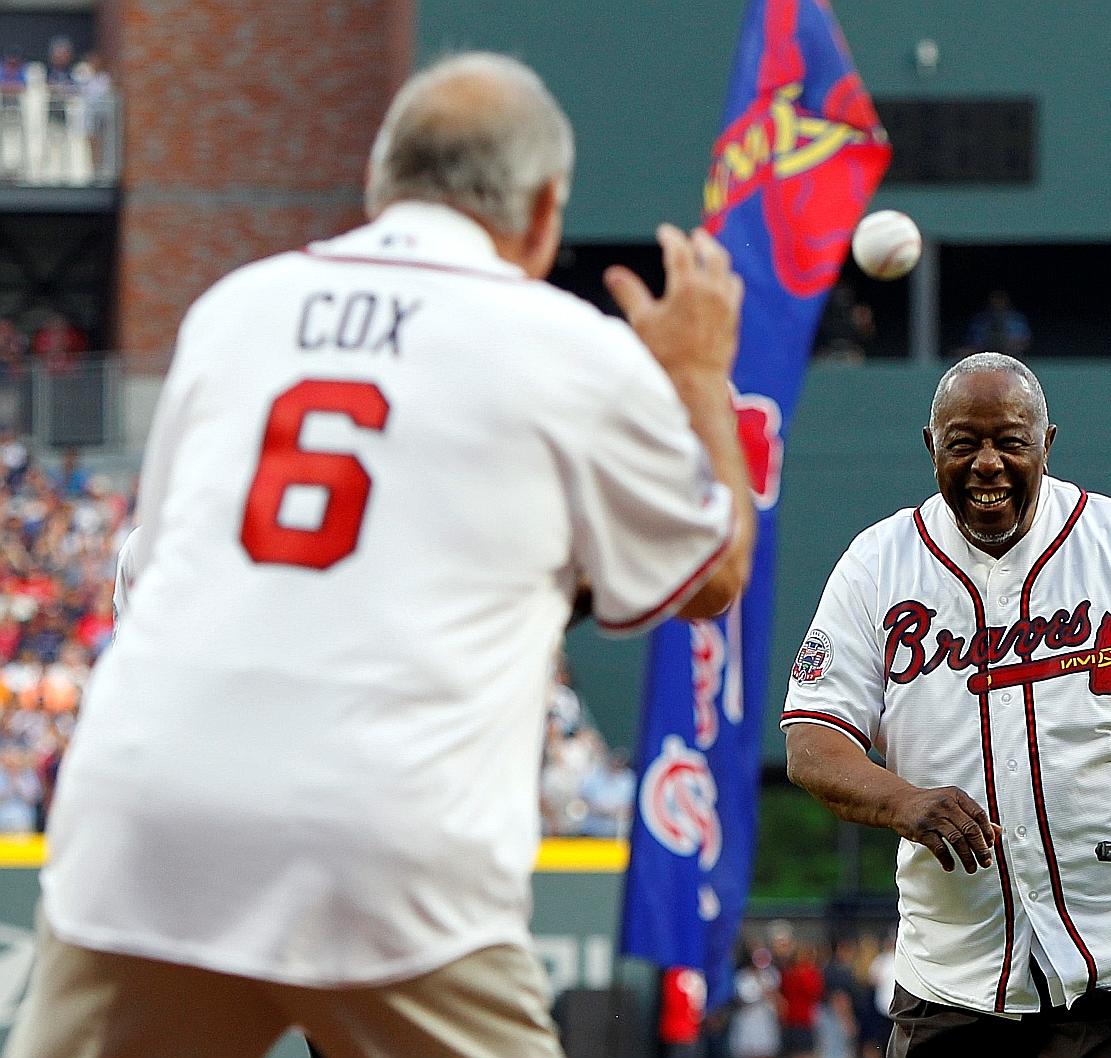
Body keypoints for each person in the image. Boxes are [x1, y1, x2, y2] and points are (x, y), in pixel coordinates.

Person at [9, 51, 756, 1058]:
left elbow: (153, 576)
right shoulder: (566, 343)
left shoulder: (237, 309)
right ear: (543, 212)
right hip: (390, 842)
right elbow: (712, 572)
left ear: (380, 182)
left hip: (150, 823)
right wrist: (703, 375)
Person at [781, 352, 1111, 1056]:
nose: (987, 463)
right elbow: (812, 741)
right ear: (931, 447)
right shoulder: (878, 563)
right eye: (964, 443)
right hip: (958, 952)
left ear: (1046, 444)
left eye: (1009, 441)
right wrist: (902, 802)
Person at [958, 289, 1030, 359]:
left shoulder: (1017, 319)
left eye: (1000, 300)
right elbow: (973, 342)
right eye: (995, 299)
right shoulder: (981, 320)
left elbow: (1024, 341)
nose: (998, 303)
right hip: (984, 356)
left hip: (1012, 356)